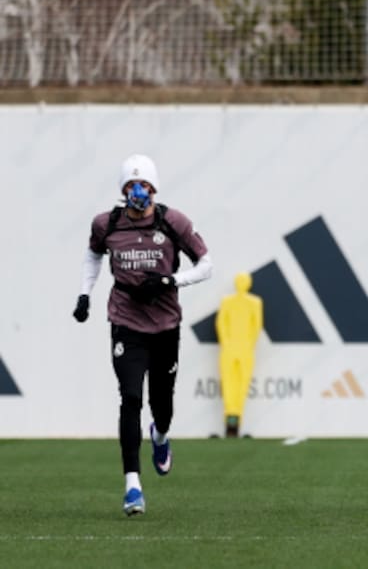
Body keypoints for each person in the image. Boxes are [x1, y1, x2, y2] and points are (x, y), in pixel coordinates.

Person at [73, 154, 213, 516]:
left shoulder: (172, 222)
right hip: (125, 321)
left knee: (161, 405)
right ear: (123, 190)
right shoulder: (107, 224)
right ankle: (132, 486)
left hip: (165, 324)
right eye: (132, 186)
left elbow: (206, 264)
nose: (139, 192)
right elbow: (93, 256)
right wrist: (85, 293)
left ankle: (161, 435)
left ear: (154, 188)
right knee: (130, 396)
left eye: (145, 186)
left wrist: (170, 280)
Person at [216, 272, 263, 438]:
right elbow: (221, 323)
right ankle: (230, 421)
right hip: (232, 349)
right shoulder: (227, 302)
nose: (242, 283)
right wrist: (227, 342)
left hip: (243, 349)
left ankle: (236, 422)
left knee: (241, 386)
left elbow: (256, 325)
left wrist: (248, 344)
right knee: (230, 386)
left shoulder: (255, 302)